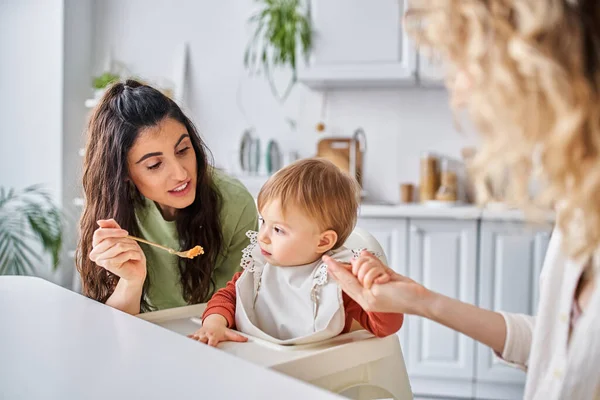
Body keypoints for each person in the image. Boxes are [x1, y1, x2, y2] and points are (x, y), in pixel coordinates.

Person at [324, 1, 600, 399]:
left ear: (535, 55)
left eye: (468, 57)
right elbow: (557, 344)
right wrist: (422, 302)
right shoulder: (578, 201)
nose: (459, 87)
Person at [76, 80, 258, 315]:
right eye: (154, 164)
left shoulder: (234, 204)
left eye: (183, 150)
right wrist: (131, 282)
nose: (181, 174)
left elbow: (233, 306)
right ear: (124, 174)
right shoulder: (113, 212)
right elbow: (111, 325)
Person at [189, 158, 403, 346]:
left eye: (278, 229)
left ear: (323, 241)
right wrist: (214, 323)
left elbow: (385, 328)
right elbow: (228, 297)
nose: (262, 236)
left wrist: (379, 293)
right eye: (264, 221)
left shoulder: (339, 279)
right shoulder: (261, 267)